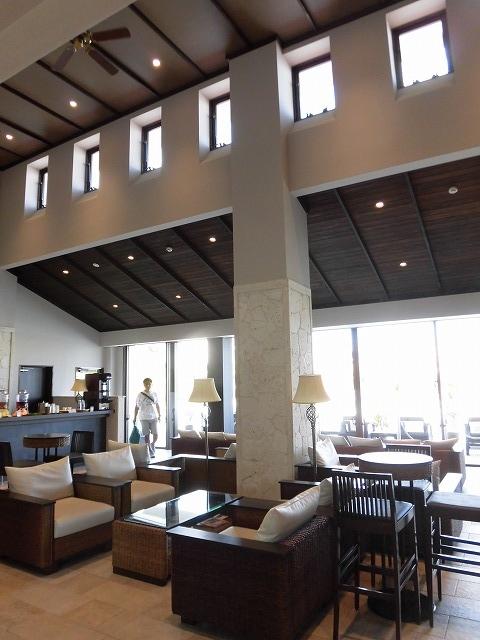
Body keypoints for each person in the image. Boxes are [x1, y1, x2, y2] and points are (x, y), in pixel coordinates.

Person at [133, 378, 160, 457]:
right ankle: (150, 450)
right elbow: (136, 407)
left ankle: (152, 444)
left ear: (151, 384)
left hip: (153, 416)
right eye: (146, 384)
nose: (148, 385)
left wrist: (159, 415)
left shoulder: (154, 393)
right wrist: (134, 418)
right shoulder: (140, 394)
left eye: (149, 384)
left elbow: (157, 405)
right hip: (143, 417)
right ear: (144, 384)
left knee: (156, 434)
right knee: (146, 435)